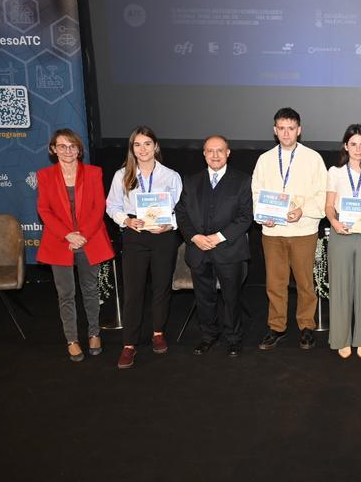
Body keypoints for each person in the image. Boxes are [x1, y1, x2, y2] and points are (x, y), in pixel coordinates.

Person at [106, 125, 182, 369]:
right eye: (137, 144)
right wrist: (125, 220)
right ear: (132, 148)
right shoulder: (122, 175)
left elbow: (182, 210)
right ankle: (129, 345)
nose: (143, 149)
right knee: (134, 292)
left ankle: (158, 332)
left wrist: (170, 226)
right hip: (134, 236)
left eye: (147, 144)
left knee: (161, 287)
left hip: (163, 236)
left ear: (155, 146)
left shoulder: (171, 176)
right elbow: (112, 206)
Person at [251, 107, 327, 351]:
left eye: (291, 128)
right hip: (272, 232)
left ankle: (306, 325)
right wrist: (263, 216)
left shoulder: (313, 158)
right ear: (275, 131)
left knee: (305, 282)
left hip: (303, 230)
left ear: (299, 130)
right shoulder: (264, 160)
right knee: (275, 282)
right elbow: (255, 193)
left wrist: (302, 211)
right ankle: (277, 327)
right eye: (281, 128)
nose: (286, 133)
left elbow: (323, 195)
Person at [36, 129, 115, 362]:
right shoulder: (45, 175)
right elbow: (44, 210)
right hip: (59, 241)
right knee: (66, 294)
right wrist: (68, 235)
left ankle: (94, 333)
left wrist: (82, 235)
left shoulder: (93, 173)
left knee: (90, 291)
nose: (68, 151)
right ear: (53, 149)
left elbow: (98, 207)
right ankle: (72, 339)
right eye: (62, 146)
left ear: (79, 150)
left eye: (72, 147)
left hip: (89, 240)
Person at [175, 135, 253, 358]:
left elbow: (246, 216)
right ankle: (209, 336)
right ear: (204, 154)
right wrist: (194, 237)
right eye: (210, 151)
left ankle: (234, 338)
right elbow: (181, 212)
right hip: (198, 249)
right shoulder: (191, 181)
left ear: (228, 153)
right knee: (204, 297)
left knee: (231, 297)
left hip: (229, 250)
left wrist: (219, 237)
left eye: (220, 150)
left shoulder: (242, 180)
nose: (215, 155)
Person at [325, 124, 361, 359]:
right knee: (340, 287)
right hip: (342, 233)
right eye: (353, 144)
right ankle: (341, 338)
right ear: (345, 146)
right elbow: (329, 205)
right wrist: (335, 222)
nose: (358, 149)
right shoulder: (335, 171)